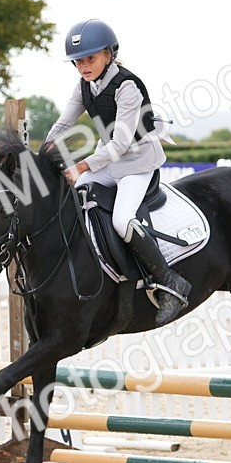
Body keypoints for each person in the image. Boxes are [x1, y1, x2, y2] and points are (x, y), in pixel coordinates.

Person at [44, 18, 191, 326]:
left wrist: (82, 165)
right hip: (110, 162)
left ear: (109, 54)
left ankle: (169, 282)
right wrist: (40, 153)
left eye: (90, 59)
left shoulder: (127, 86)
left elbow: (122, 143)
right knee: (77, 196)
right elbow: (62, 124)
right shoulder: (84, 85)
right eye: (78, 61)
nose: (83, 66)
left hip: (138, 163)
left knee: (123, 220)